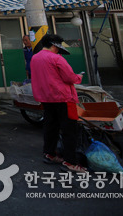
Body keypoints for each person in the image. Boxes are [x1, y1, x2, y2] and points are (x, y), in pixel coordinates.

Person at [30, 34, 86, 173]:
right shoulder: (56, 58)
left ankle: (49, 154)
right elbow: (69, 77)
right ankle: (70, 162)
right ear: (54, 45)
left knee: (51, 126)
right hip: (63, 98)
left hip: (46, 98)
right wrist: (79, 77)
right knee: (69, 130)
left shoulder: (35, 58)